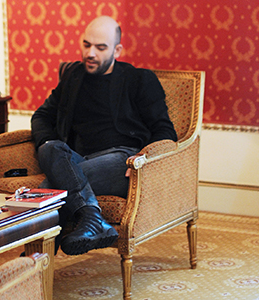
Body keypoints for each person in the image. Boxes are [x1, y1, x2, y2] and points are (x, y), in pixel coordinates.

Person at [31, 16, 178, 255]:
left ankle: (34, 260)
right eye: (86, 45)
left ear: (117, 50)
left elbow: (165, 131)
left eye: (100, 48)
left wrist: (144, 159)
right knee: (49, 148)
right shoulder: (73, 76)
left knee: (48, 189)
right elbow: (41, 116)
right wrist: (46, 140)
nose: (90, 53)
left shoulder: (139, 80)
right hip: (78, 160)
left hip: (122, 161)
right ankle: (93, 218)